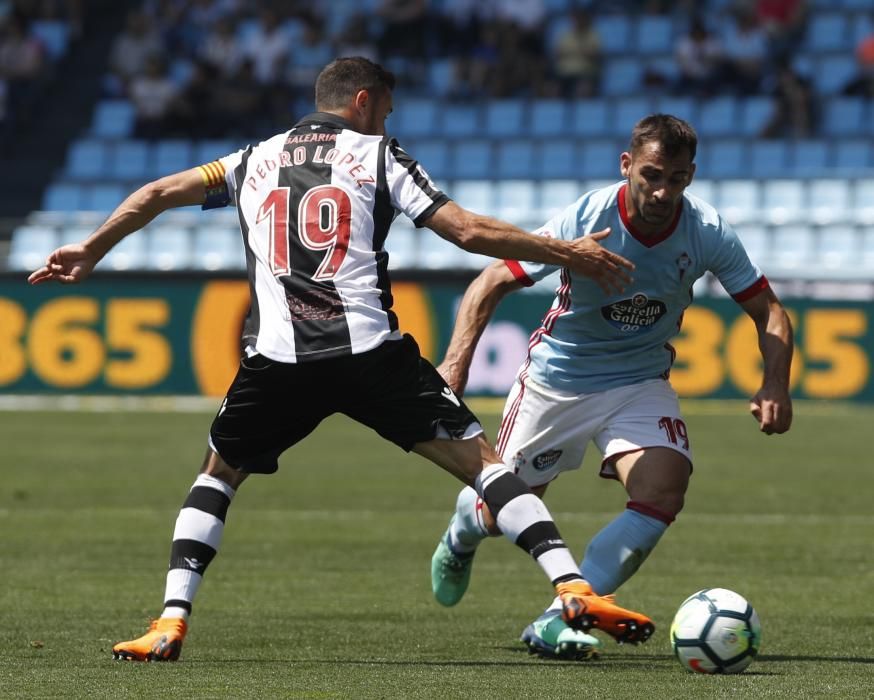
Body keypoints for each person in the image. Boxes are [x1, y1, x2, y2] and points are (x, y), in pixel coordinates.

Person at [28, 57, 648, 663]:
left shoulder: (251, 158)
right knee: (484, 466)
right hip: (369, 354)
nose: (386, 121)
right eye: (385, 109)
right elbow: (464, 230)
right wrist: (561, 250)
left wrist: (91, 249)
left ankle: (169, 620)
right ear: (363, 102)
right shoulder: (379, 154)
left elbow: (160, 191)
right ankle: (571, 588)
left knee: (217, 476)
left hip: (278, 361)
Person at [430, 113, 793, 660]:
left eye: (675, 177)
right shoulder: (589, 216)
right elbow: (492, 281)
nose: (662, 190)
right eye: (651, 174)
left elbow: (768, 310)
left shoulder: (707, 231)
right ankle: (463, 530)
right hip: (559, 381)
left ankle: (560, 618)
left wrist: (775, 384)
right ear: (627, 166)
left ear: (691, 176)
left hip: (639, 378)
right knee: (504, 510)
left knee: (664, 489)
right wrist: (454, 367)